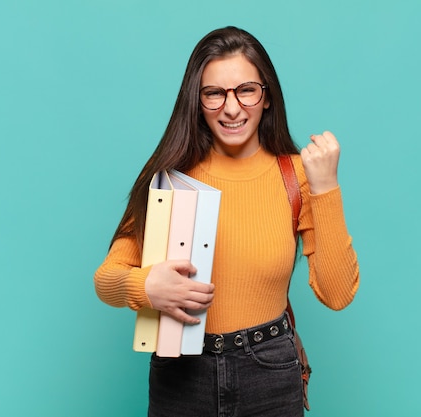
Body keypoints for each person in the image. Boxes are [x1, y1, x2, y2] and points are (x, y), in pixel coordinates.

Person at [94, 26, 359, 417]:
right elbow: (106, 279)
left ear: (266, 97)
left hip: (269, 371)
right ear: (197, 101)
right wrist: (146, 285)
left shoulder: (297, 176)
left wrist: (326, 188)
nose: (232, 109)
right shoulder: (168, 176)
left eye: (246, 90)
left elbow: (337, 294)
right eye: (215, 94)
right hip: (181, 372)